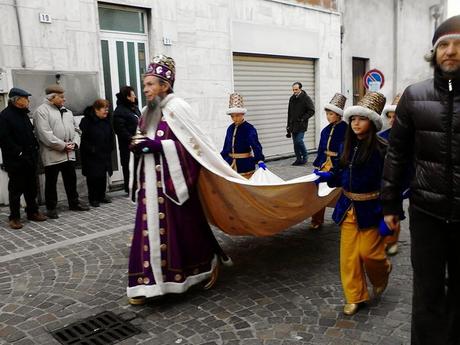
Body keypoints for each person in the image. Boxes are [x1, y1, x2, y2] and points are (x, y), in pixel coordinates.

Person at [381, 15, 460, 345]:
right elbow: (396, 153)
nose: (451, 51)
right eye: (444, 44)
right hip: (427, 213)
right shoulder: (414, 96)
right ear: (434, 52)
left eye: (458, 45)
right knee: (426, 288)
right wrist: (389, 205)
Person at [127, 55, 229, 305]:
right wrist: (138, 147)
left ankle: (204, 267)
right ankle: (148, 283)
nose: (146, 89)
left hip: (174, 185)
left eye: (151, 84)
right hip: (149, 185)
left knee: (184, 232)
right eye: (145, 84)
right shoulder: (145, 112)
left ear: (165, 85)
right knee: (146, 233)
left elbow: (193, 148)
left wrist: (159, 146)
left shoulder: (179, 108)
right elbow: (142, 139)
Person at [316, 92, 391, 316]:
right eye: (353, 119)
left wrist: (388, 211)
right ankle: (355, 296)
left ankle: (382, 272)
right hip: (347, 207)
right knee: (348, 257)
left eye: (362, 119)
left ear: (372, 122)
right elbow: (340, 174)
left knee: (370, 254)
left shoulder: (381, 150)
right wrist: (328, 177)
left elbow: (390, 183)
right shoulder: (345, 146)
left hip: (371, 209)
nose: (356, 123)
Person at [34, 84, 89, 219]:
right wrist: (63, 145)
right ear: (52, 97)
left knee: (71, 179)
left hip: (69, 153)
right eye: (61, 97)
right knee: (51, 182)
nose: (64, 99)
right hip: (53, 153)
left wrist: (75, 143)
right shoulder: (41, 111)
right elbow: (44, 134)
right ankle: (51, 207)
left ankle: (74, 202)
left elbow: (77, 130)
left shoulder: (67, 112)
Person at [0, 88, 47, 229]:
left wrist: (35, 148)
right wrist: (19, 153)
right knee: (15, 190)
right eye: (26, 98)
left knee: (31, 188)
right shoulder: (5, 116)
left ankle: (32, 212)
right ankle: (14, 218)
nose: (28, 101)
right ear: (17, 99)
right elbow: (4, 139)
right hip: (16, 161)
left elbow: (29, 134)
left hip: (30, 159)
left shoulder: (24, 114)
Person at [310, 93, 348, 230]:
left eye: (331, 114)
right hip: (325, 165)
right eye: (327, 114)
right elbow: (321, 149)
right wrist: (317, 165)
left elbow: (346, 151)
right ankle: (317, 220)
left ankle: (345, 217)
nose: (328, 117)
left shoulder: (346, 130)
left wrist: (339, 162)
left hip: (340, 166)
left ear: (338, 115)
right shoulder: (325, 131)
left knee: (344, 193)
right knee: (318, 193)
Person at [220, 93, 266, 177]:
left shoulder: (249, 128)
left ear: (242, 114)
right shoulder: (230, 128)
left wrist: (260, 160)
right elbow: (226, 147)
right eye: (232, 116)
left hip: (245, 165)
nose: (235, 118)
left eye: (237, 116)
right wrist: (220, 159)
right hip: (230, 165)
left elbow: (256, 146)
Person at [379, 94, 402, 256]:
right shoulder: (382, 137)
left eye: (396, 117)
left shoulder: (410, 137)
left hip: (399, 181)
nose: (392, 120)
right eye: (390, 116)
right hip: (382, 179)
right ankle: (382, 239)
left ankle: (393, 241)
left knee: (396, 212)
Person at [79, 99, 114, 207]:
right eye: (104, 108)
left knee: (102, 175)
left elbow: (111, 135)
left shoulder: (107, 120)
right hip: (91, 155)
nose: (106, 111)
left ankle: (101, 195)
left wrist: (110, 147)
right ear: (96, 110)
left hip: (104, 153)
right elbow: (84, 139)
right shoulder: (87, 121)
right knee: (93, 176)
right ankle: (93, 198)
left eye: (107, 108)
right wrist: (92, 149)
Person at [113, 86, 141, 194]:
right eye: (132, 94)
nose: (134, 96)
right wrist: (131, 138)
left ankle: (137, 186)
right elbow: (120, 129)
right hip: (127, 145)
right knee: (129, 166)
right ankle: (130, 188)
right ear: (127, 97)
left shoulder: (134, 108)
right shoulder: (119, 111)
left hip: (138, 143)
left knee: (137, 165)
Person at [286, 82, 315, 166]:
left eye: (296, 89)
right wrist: (288, 125)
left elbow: (311, 110)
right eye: (293, 90)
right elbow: (289, 113)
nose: (294, 91)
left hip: (301, 124)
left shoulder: (306, 98)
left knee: (299, 140)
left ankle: (305, 157)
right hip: (293, 125)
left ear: (300, 89)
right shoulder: (292, 98)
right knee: (295, 143)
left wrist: (302, 118)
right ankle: (298, 159)